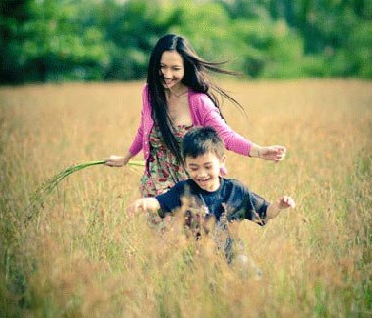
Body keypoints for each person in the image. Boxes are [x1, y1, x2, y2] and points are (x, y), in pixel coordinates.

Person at [106, 34, 286, 197]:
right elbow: (143, 129)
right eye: (162, 67)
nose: (167, 74)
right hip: (155, 186)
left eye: (175, 68)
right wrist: (126, 158)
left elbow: (225, 136)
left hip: (193, 184)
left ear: (186, 68)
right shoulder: (150, 93)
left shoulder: (199, 102)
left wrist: (259, 151)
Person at [126, 126, 295, 262]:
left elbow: (265, 213)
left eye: (208, 167)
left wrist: (278, 206)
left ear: (221, 161)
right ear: (185, 164)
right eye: (193, 168)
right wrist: (144, 202)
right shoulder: (184, 190)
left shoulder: (236, 190)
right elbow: (160, 202)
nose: (201, 174)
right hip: (195, 260)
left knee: (248, 271)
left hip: (233, 256)